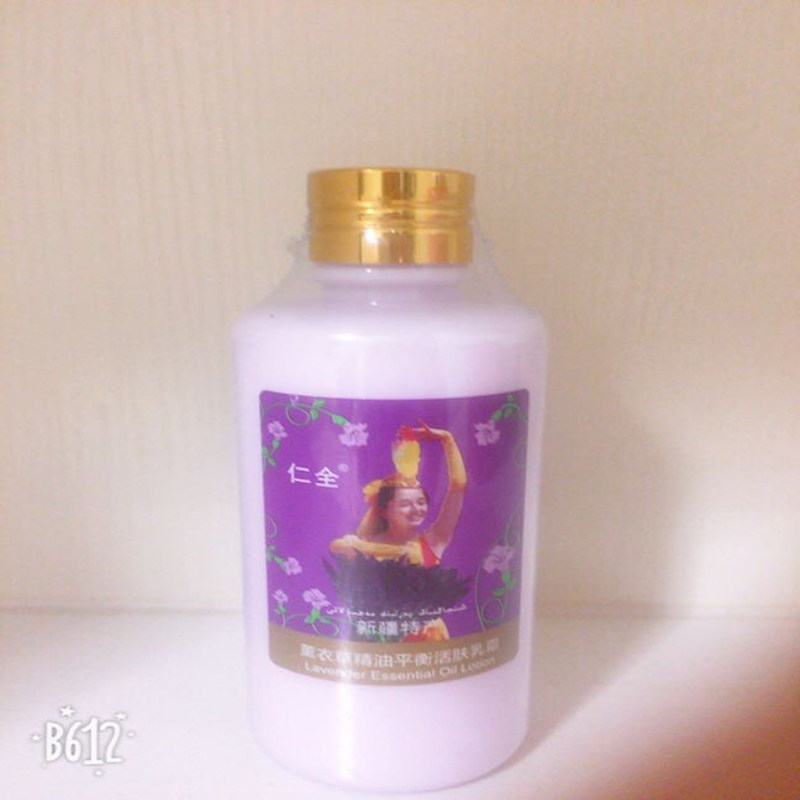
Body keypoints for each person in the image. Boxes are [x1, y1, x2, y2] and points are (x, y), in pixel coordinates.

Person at [329, 422, 467, 641]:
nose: (416, 509)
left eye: (421, 502)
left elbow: (458, 486)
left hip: (427, 636)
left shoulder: (433, 541)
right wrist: (393, 551)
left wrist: (447, 439)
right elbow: (338, 546)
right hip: (377, 636)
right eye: (405, 504)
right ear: (384, 509)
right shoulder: (364, 541)